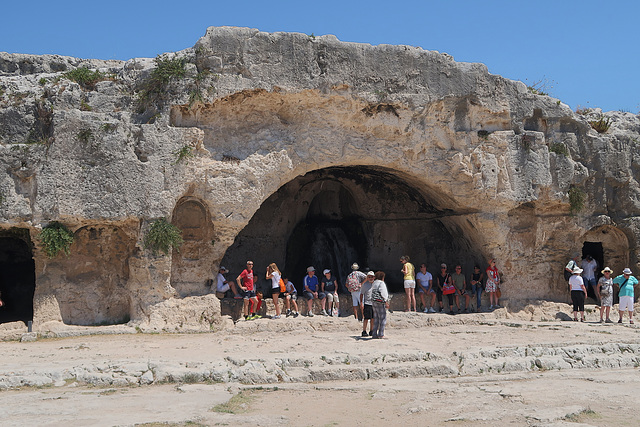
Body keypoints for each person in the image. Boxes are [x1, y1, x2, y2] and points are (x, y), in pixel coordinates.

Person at [370, 271, 390, 339]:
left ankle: (374, 333)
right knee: (383, 317)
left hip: (373, 301)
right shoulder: (381, 283)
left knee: (376, 318)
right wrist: (386, 301)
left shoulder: (374, 283)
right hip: (380, 302)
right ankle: (381, 334)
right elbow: (383, 293)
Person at [360, 271, 375, 337]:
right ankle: (364, 330)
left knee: (373, 318)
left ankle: (371, 330)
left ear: (374, 277)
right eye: (369, 277)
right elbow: (361, 294)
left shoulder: (376, 284)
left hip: (374, 303)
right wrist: (361, 303)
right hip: (367, 303)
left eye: (371, 277)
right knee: (366, 318)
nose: (370, 278)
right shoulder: (365, 285)